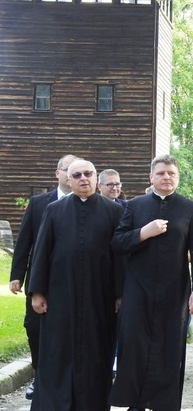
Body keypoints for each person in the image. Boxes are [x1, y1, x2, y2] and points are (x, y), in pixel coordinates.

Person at [109, 154, 193, 411]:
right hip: (138, 288)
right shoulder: (135, 205)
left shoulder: (188, 208)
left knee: (170, 347)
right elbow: (117, 243)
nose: (166, 177)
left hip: (175, 289)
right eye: (161, 173)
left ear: (177, 177)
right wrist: (144, 233)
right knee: (135, 344)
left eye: (171, 173)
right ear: (150, 177)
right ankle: (136, 403)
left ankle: (165, 404)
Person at [25, 159, 123, 410]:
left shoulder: (114, 211)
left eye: (88, 174)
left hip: (99, 295)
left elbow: (121, 256)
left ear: (96, 177)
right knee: (58, 352)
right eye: (77, 175)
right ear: (68, 179)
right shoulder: (54, 210)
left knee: (97, 352)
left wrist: (120, 293)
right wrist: (37, 291)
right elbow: (41, 251)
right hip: (60, 294)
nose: (83, 179)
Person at [9, 153, 79, 400]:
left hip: (73, 280)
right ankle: (40, 375)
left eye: (77, 170)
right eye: (67, 169)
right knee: (35, 326)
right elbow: (24, 240)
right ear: (58, 173)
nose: (72, 174)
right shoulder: (39, 204)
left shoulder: (89, 203)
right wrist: (17, 274)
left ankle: (67, 377)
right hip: (41, 277)